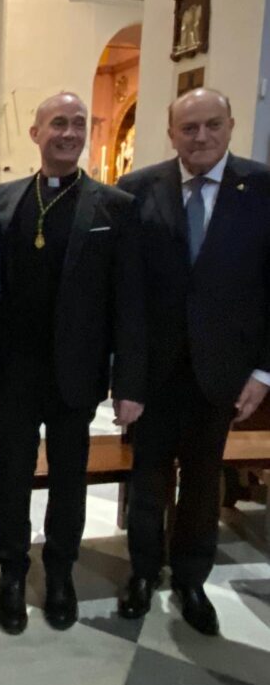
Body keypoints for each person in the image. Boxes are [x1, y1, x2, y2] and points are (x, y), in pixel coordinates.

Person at [0, 92, 146, 635]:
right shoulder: (6, 198)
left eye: (79, 123)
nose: (69, 132)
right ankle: (11, 573)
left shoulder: (114, 206)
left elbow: (129, 303)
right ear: (35, 133)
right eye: (58, 123)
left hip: (76, 373)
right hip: (15, 370)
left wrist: (129, 383)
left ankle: (60, 573)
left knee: (68, 479)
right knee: (11, 475)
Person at [117, 87, 270, 635]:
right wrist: (124, 379)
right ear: (171, 133)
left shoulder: (262, 188)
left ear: (230, 126)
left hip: (222, 371)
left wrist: (263, 372)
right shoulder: (137, 189)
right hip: (153, 373)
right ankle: (142, 573)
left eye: (211, 125)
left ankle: (190, 580)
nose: (201, 136)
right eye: (189, 128)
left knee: (204, 482)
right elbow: (127, 295)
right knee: (147, 479)